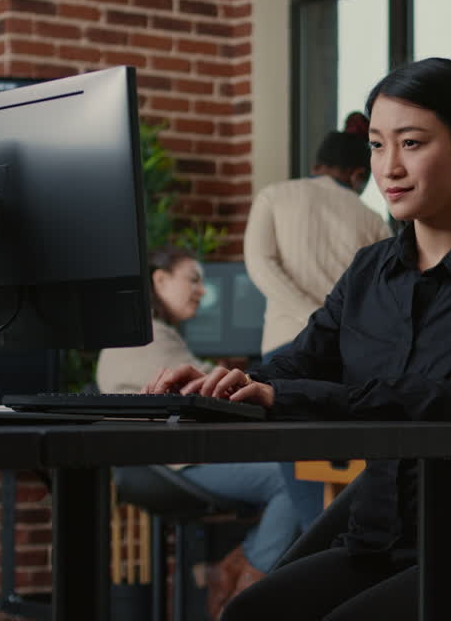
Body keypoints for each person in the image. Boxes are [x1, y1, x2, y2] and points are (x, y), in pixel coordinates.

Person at [146, 57, 451, 621]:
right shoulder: (370, 270)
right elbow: (302, 362)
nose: (388, 168)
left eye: (411, 143)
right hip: (377, 544)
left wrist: (287, 396)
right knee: (249, 614)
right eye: (376, 145)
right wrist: (219, 387)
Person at [96, 246, 303, 619]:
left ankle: (236, 569)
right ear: (160, 280)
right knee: (290, 481)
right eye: (192, 279)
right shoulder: (150, 338)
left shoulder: (150, 336)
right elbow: (208, 391)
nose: (202, 291)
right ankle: (246, 590)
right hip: (171, 463)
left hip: (156, 462)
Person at [243, 114, 390, 361]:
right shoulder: (374, 219)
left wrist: (313, 316)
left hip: (286, 343)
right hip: (346, 347)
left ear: (316, 166)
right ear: (357, 175)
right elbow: (383, 292)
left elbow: (260, 265)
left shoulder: (273, 196)